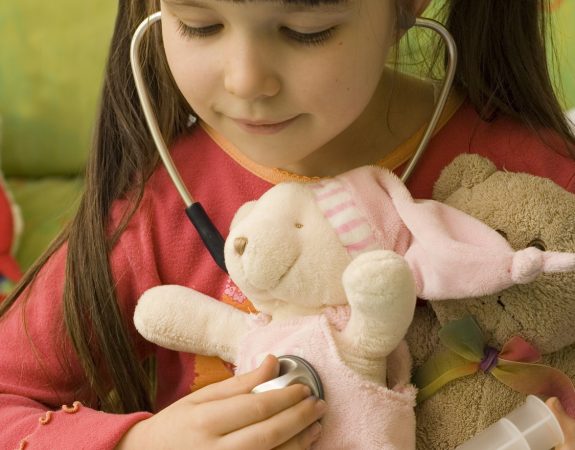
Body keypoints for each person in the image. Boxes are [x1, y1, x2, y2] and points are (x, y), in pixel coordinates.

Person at [1, 0, 574, 448]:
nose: (246, 80)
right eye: (198, 23)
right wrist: (138, 442)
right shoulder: (153, 206)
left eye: (305, 30)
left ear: (405, 7)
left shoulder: (538, 186)